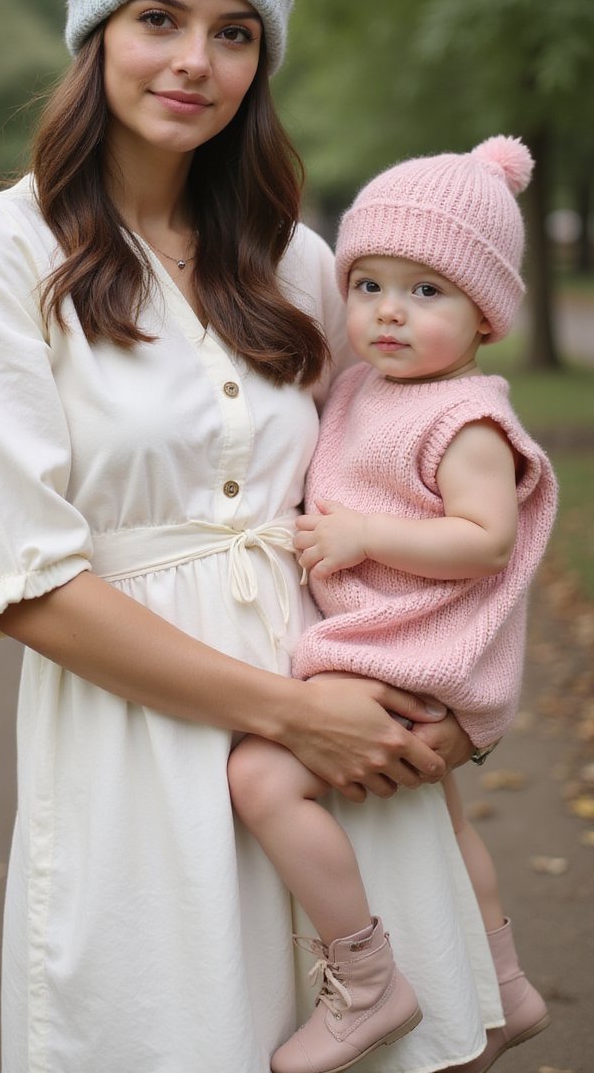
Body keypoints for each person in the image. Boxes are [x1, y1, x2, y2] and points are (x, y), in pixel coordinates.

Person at [0, 0, 501, 1073]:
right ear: (97, 34)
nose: (196, 60)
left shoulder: (297, 264)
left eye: (236, 33)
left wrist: (446, 707)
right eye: (160, 17)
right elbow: (20, 582)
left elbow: (432, 470)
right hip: (145, 739)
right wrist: (296, 719)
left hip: (330, 727)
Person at [229, 136, 557, 1073]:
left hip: (411, 655)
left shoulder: (467, 420)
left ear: (487, 315)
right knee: (449, 825)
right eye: (368, 285)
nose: (389, 314)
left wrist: (368, 539)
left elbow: (484, 539)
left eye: (427, 292)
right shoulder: (363, 388)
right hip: (382, 644)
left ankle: (368, 981)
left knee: (262, 779)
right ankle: (506, 983)